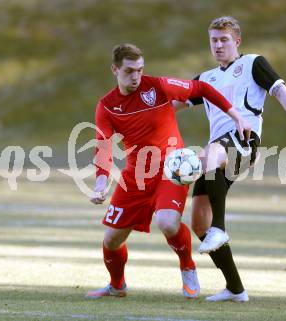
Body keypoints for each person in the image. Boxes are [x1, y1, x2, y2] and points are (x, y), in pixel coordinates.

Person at [173, 16, 286, 302]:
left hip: (245, 140)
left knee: (212, 155)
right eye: (214, 40)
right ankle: (235, 289)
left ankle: (221, 228)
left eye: (224, 40)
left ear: (237, 41)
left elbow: (282, 92)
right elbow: (174, 104)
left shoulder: (253, 63)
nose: (218, 45)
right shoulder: (206, 79)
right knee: (198, 223)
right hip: (219, 151)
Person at [86, 43, 250, 299]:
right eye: (129, 71)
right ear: (114, 69)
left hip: (172, 167)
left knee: (166, 222)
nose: (136, 77)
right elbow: (104, 147)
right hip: (135, 175)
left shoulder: (158, 86)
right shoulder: (106, 106)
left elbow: (202, 88)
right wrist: (100, 183)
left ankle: (187, 265)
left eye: (140, 70)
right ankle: (117, 286)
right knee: (111, 241)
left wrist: (236, 116)